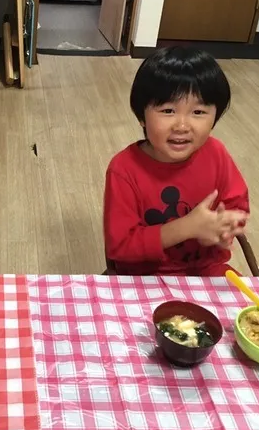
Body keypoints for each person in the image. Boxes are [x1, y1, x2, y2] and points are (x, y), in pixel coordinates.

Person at [104, 47, 249, 276]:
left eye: (199, 112)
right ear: (142, 116)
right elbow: (120, 248)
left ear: (215, 116)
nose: (182, 125)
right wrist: (186, 228)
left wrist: (225, 226)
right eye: (168, 110)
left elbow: (237, 205)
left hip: (206, 268)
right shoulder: (124, 169)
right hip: (143, 276)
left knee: (247, 308)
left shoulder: (216, 153)